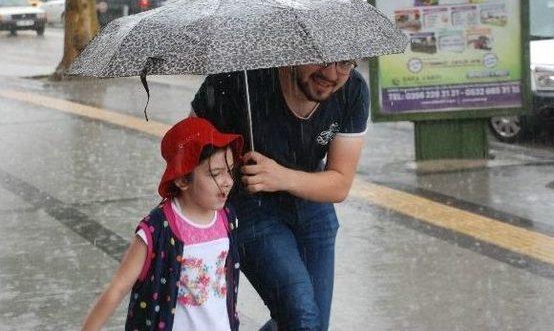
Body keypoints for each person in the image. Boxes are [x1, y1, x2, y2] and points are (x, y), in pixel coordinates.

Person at [190, 60, 370, 331]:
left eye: (344, 63)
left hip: (313, 205)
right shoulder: (238, 80)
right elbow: (190, 152)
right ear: (295, 50)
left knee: (311, 323)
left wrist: (280, 176)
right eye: (321, 60)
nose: (331, 74)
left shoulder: (353, 89)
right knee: (302, 317)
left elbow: (339, 184)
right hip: (251, 205)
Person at [81, 117, 244, 331]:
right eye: (215, 174)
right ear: (182, 180)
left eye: (230, 170)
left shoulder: (226, 218)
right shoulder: (158, 228)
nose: (228, 181)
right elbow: (118, 288)